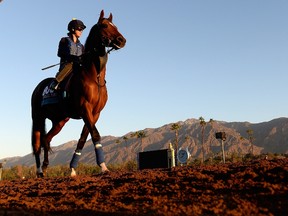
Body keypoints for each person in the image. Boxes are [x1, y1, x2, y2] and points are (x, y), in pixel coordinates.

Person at [52, 19, 86, 90]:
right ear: (73, 29)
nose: (81, 32)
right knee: (71, 64)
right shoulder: (64, 40)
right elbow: (60, 53)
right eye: (79, 30)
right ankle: (56, 82)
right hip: (67, 65)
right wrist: (72, 58)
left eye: (82, 30)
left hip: (78, 66)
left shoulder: (82, 46)